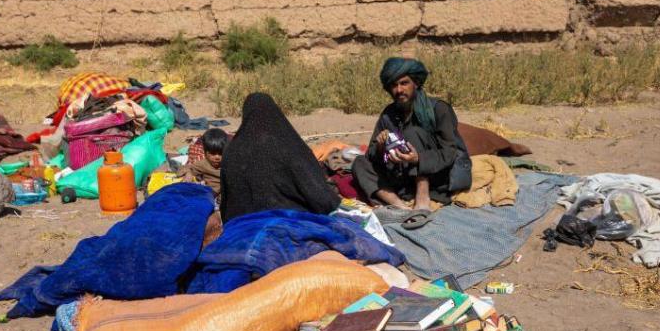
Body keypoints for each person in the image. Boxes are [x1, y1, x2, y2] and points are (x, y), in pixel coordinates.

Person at [353, 57, 472, 216]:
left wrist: (418, 159)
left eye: (404, 83)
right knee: (359, 163)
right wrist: (381, 147)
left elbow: (449, 152)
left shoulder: (438, 109)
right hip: (401, 177)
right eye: (394, 85)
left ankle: (422, 197)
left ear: (416, 83)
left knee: (411, 133)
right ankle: (399, 206)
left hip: (436, 175)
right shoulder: (389, 114)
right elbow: (372, 155)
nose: (399, 90)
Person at [219, 93, 340, 222]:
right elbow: (318, 194)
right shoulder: (288, 146)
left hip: (241, 224)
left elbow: (226, 200)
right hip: (288, 221)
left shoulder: (231, 150)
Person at [177, 128, 228, 198]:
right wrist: (189, 174)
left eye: (220, 153)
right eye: (213, 154)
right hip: (209, 194)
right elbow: (187, 168)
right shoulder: (203, 164)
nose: (217, 157)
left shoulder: (229, 163)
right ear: (205, 152)